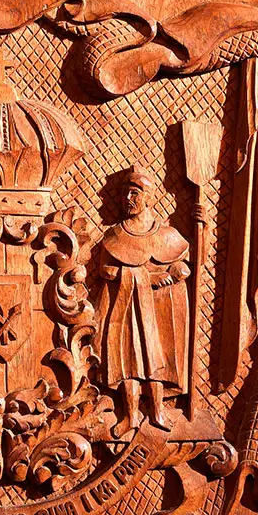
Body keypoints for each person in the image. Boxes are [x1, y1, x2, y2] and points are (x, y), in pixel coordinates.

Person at [93, 167, 195, 434]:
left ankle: (158, 411)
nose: (128, 198)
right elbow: (105, 270)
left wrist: (179, 270)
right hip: (127, 307)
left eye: (135, 193)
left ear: (149, 198)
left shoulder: (167, 234)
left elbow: (184, 265)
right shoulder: (115, 234)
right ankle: (129, 415)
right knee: (129, 361)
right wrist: (141, 278)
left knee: (155, 361)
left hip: (159, 309)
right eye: (125, 193)